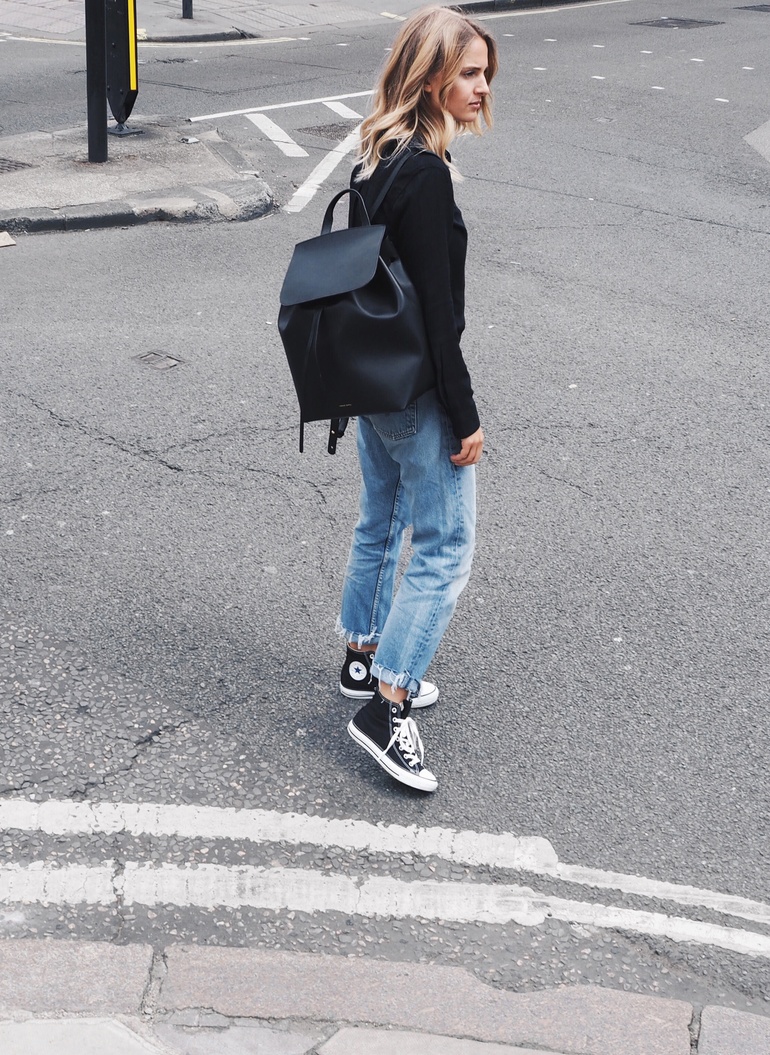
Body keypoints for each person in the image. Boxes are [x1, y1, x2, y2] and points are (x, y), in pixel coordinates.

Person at [336, 6, 498, 793]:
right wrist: (463, 415)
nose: (481, 86)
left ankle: (363, 658)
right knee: (444, 550)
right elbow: (437, 308)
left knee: (382, 522)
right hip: (420, 390)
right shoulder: (427, 176)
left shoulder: (382, 153)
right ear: (430, 77)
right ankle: (386, 704)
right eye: (468, 72)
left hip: (375, 383)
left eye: (483, 73)